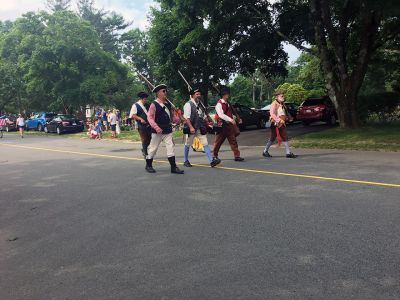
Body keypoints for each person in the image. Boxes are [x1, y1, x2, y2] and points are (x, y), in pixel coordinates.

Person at [145, 84, 184, 174]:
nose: (166, 92)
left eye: (166, 91)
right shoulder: (153, 104)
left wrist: (179, 118)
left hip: (167, 129)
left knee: (170, 147)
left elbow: (172, 118)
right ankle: (148, 165)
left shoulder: (168, 104)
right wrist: (156, 127)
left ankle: (173, 168)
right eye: (163, 91)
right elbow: (149, 118)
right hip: (157, 131)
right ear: (158, 93)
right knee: (153, 148)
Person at [183, 87, 221, 167]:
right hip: (192, 128)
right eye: (197, 94)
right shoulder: (188, 104)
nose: (198, 95)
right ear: (193, 95)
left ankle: (211, 161)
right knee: (188, 144)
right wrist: (191, 127)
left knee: (205, 143)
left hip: (200, 127)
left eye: (199, 94)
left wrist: (209, 121)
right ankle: (185, 160)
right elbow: (187, 118)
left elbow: (202, 116)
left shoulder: (200, 105)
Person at [212, 86, 244, 162]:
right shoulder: (219, 104)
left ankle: (237, 155)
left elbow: (230, 113)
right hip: (222, 125)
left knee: (233, 140)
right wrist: (230, 119)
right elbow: (221, 115)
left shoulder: (228, 103)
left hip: (229, 125)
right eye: (227, 94)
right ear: (223, 95)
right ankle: (214, 156)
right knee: (218, 142)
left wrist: (236, 118)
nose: (228, 95)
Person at [263, 90, 297, 158]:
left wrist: (288, 118)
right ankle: (265, 151)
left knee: (282, 136)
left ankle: (287, 152)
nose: (283, 97)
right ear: (277, 97)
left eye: (283, 95)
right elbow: (272, 114)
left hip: (281, 123)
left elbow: (283, 113)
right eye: (281, 96)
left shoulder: (282, 104)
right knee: (276, 137)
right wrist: (279, 120)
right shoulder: (274, 104)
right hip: (275, 123)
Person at [130, 92, 152, 157]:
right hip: (141, 125)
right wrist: (140, 119)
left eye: (146, 99)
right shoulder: (135, 105)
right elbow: (133, 115)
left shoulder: (147, 105)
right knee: (144, 139)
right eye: (145, 99)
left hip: (148, 124)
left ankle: (143, 149)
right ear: (141, 99)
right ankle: (145, 153)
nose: (146, 100)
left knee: (150, 138)